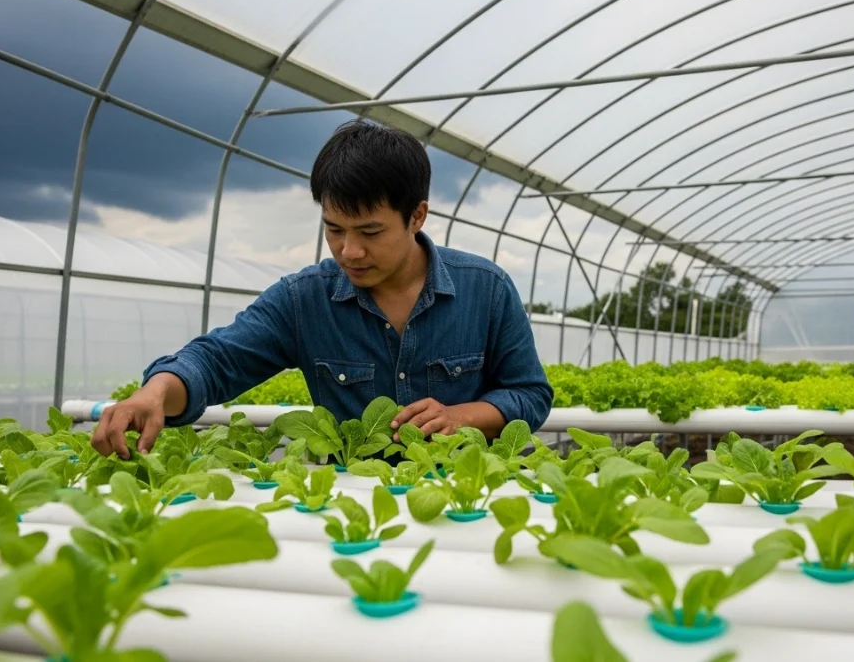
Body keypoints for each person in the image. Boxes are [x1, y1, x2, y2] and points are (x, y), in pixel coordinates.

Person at [91, 119, 553, 459]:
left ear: (417, 216)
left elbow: (530, 393)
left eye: (370, 233)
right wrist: (154, 392)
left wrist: (463, 415)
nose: (349, 251)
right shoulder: (303, 300)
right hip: (351, 510)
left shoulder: (486, 289)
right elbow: (215, 361)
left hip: (470, 497)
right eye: (334, 229)